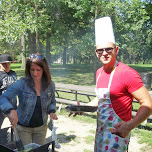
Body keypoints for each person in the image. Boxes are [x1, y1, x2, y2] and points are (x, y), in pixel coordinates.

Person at [70, 16, 152, 152]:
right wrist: (84, 107)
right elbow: (103, 98)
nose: (104, 53)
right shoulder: (99, 72)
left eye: (109, 49)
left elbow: (148, 104)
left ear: (116, 49)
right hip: (101, 133)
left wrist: (130, 125)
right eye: (100, 50)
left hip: (119, 135)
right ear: (96, 52)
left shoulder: (127, 73)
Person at [0, 53, 58, 146]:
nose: (35, 73)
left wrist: (51, 111)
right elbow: (3, 97)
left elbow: (52, 101)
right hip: (23, 127)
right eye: (32, 69)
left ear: (44, 69)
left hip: (41, 127)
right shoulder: (22, 83)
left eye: (38, 70)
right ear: (28, 69)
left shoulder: (50, 85)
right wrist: (11, 110)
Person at [0, 54, 18, 128]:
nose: (7, 65)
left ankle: (15, 139)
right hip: (1, 108)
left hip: (13, 106)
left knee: (17, 126)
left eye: (8, 63)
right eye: (4, 64)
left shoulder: (13, 74)